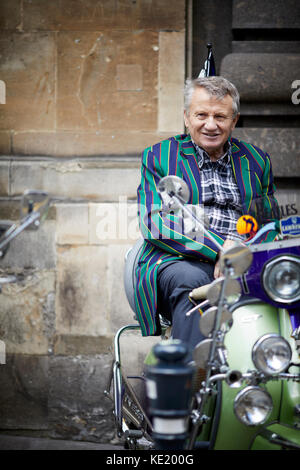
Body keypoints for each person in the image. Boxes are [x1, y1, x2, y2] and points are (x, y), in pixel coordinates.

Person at [134, 76, 278, 356]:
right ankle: (190, 388)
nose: (211, 124)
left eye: (220, 116)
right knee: (193, 283)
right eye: (201, 114)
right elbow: (155, 222)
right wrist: (220, 249)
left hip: (244, 258)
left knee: (286, 278)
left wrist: (243, 252)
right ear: (187, 117)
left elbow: (269, 224)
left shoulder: (257, 161)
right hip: (179, 260)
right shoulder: (159, 156)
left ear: (234, 121)